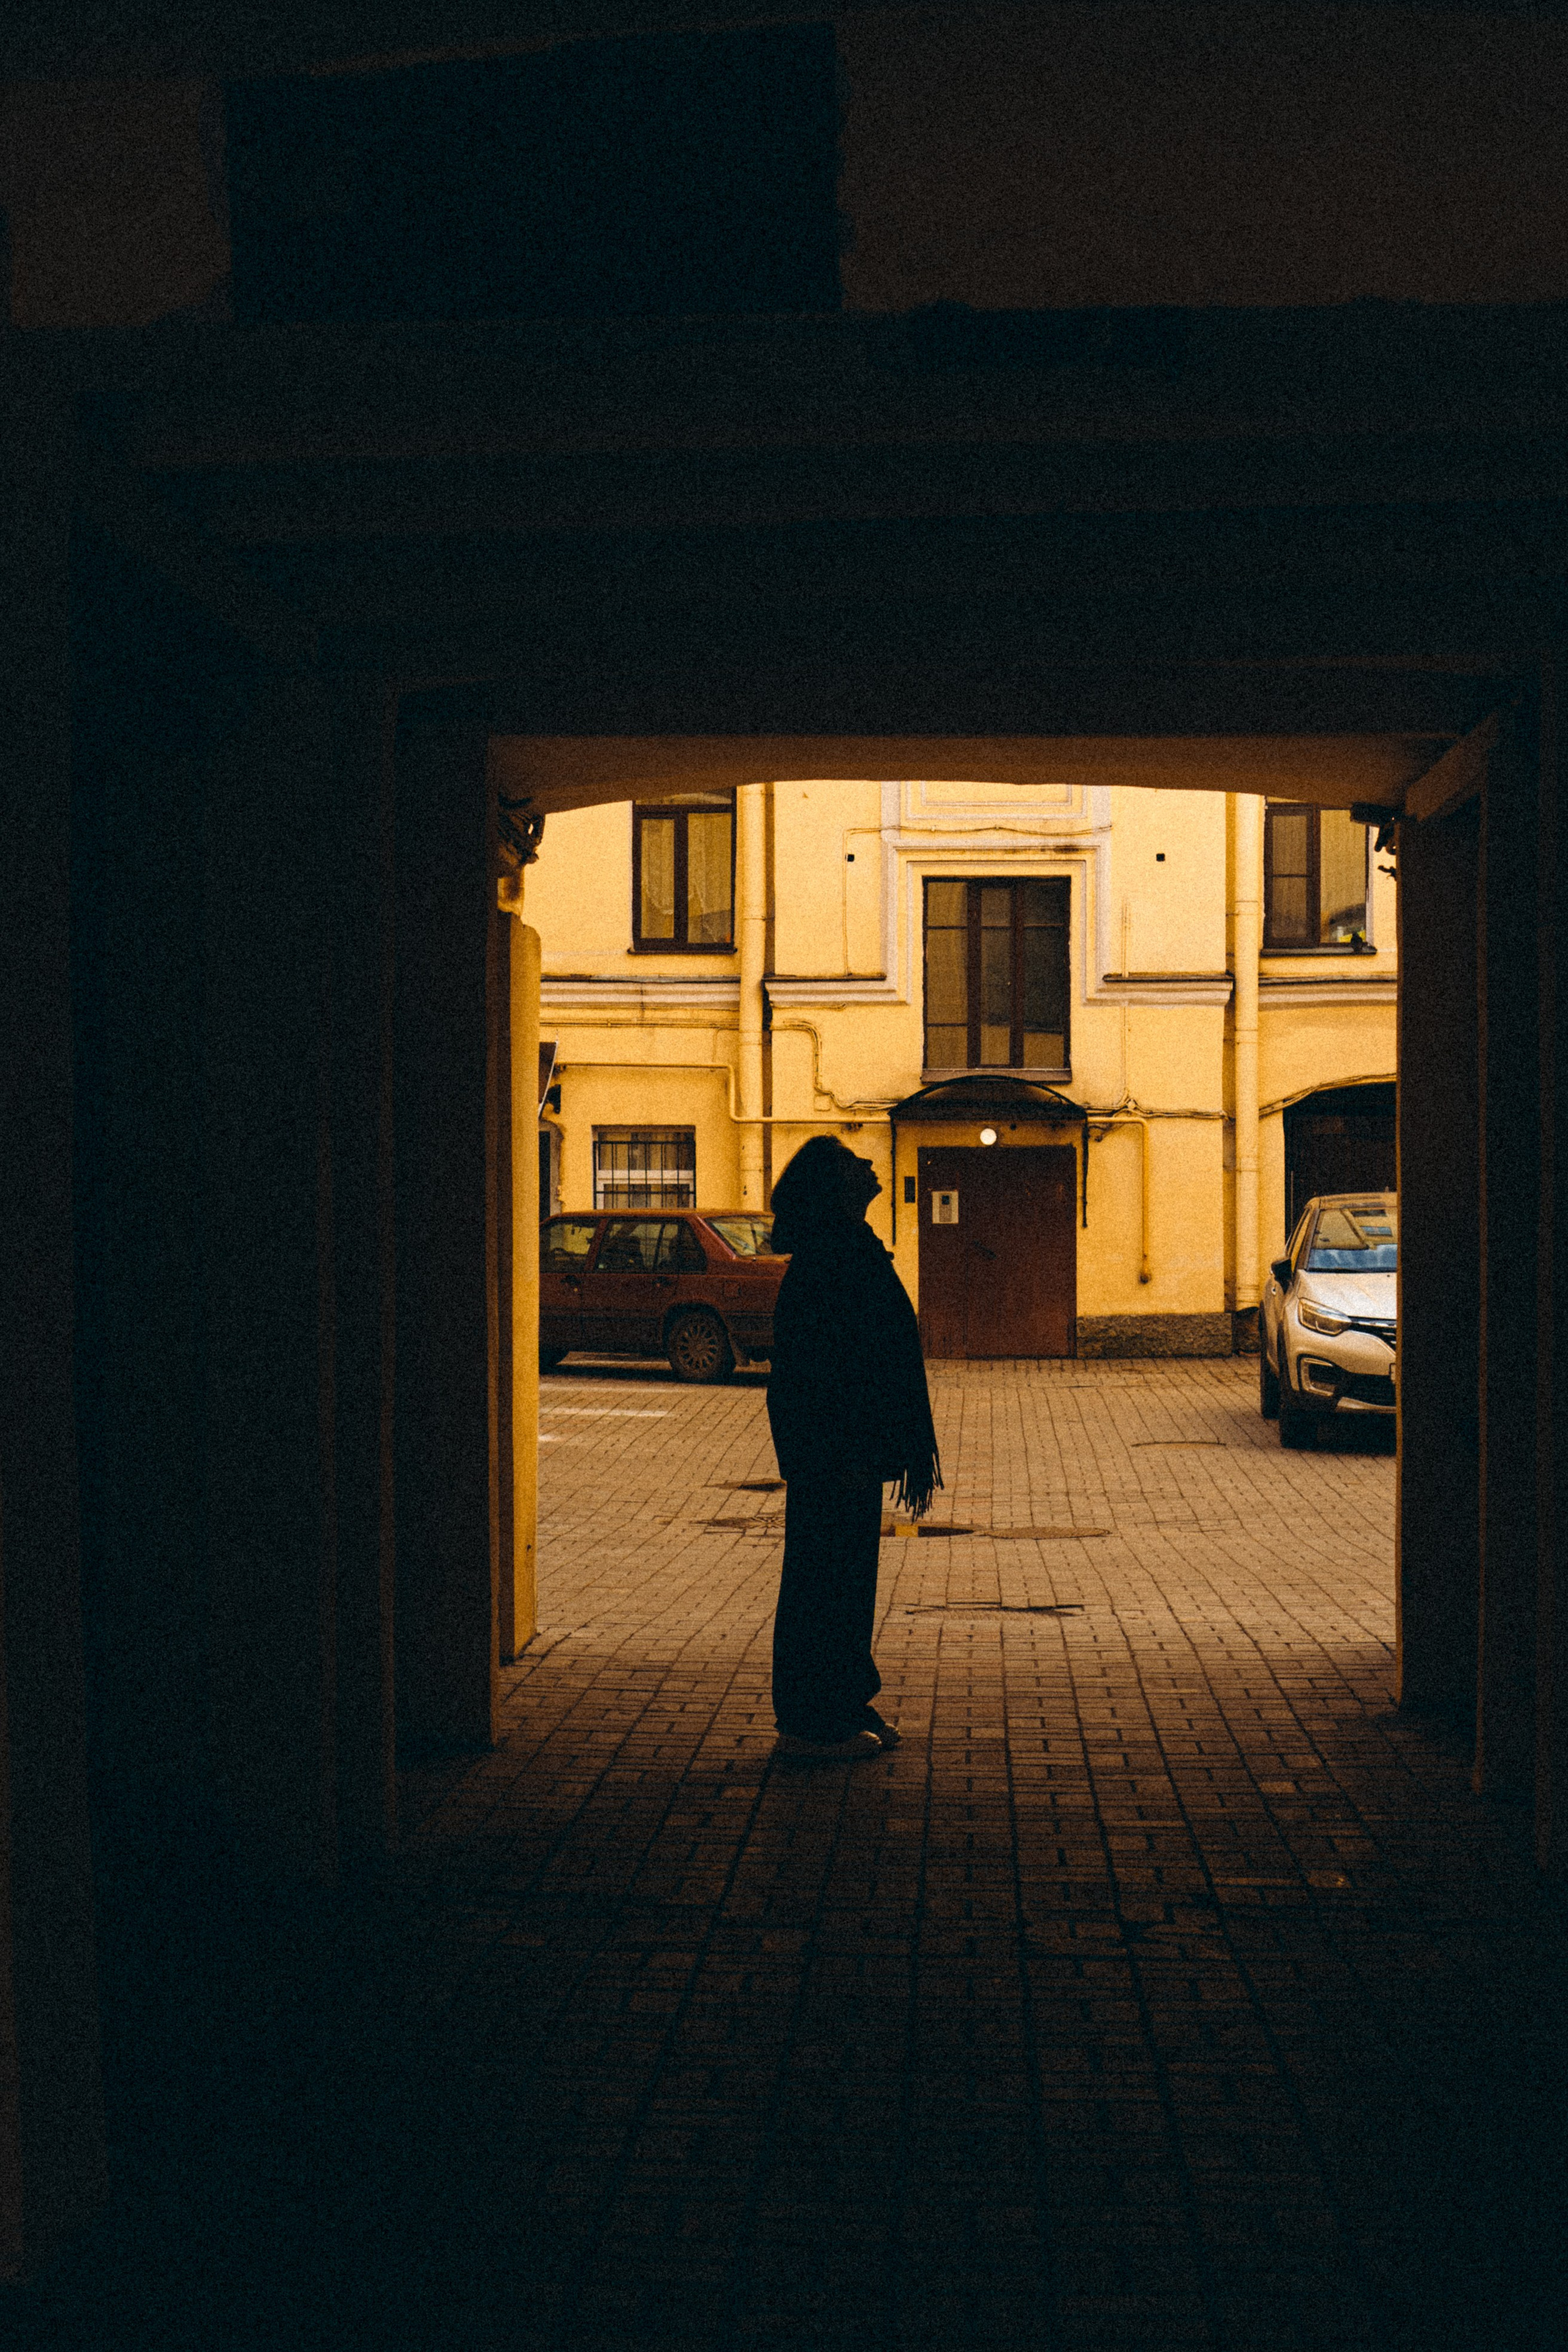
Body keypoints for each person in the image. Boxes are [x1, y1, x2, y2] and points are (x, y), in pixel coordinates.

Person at [765, 1136, 941, 1761]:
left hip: (848, 1452)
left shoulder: (847, 1250)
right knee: (824, 1584)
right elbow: (813, 1373)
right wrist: (836, 1456)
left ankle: (840, 1702)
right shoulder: (830, 1261)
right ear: (833, 1186)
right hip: (835, 1455)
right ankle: (811, 1724)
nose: (868, 1164)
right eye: (851, 1160)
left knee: (843, 1583)